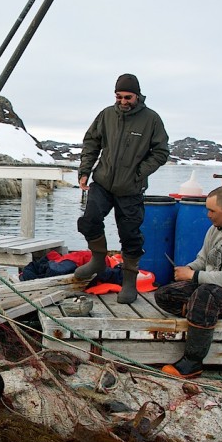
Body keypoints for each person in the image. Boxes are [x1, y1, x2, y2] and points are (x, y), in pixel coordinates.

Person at [74, 73, 169, 304]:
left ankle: (129, 281)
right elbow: (91, 142)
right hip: (103, 181)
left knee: (130, 235)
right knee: (90, 219)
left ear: (137, 95)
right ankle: (98, 259)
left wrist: (139, 172)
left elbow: (161, 152)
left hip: (131, 188)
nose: (123, 101)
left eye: (128, 97)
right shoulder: (107, 115)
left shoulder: (151, 119)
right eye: (119, 97)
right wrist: (85, 170)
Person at [154, 186, 222, 378]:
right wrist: (189, 269)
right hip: (213, 285)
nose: (208, 215)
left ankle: (193, 362)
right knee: (165, 294)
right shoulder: (215, 229)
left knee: (205, 295)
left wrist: (193, 276)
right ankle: (212, 312)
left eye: (212, 210)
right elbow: (203, 260)